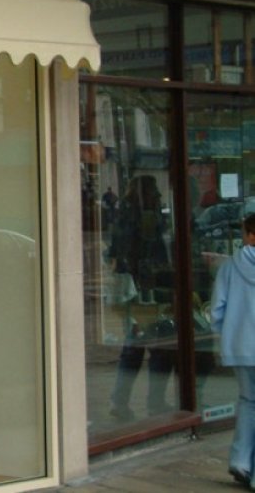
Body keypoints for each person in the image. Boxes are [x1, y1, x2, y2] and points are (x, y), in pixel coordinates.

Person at [106, 175, 175, 420]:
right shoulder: (138, 218)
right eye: (154, 190)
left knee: (139, 347)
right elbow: (140, 253)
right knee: (153, 347)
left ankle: (123, 401)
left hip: (142, 289)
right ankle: (148, 402)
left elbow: (115, 253)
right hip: (144, 290)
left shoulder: (128, 216)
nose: (158, 195)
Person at [210, 213, 255, 487]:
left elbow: (216, 309)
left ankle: (240, 460)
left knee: (248, 402)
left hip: (239, 347)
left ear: (249, 235)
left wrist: (228, 333)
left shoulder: (229, 267)